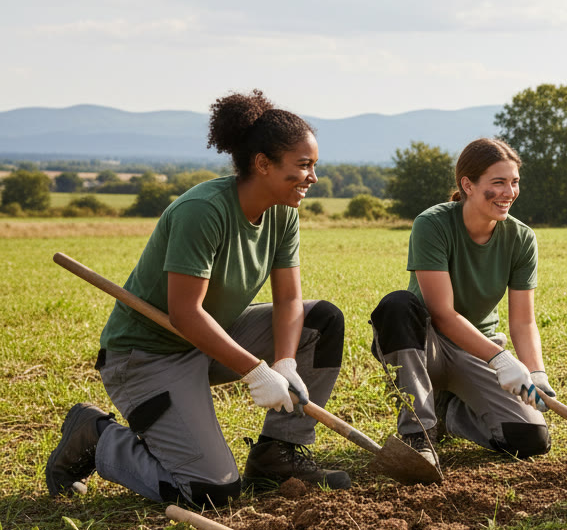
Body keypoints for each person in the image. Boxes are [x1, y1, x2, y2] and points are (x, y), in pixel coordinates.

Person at [46, 90, 349, 507]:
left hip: (209, 340)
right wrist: (256, 372)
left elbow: (289, 298)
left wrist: (285, 361)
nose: (313, 177)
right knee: (213, 493)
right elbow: (185, 314)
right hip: (149, 355)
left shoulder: (283, 212)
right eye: (304, 166)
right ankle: (96, 437)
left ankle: (277, 456)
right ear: (262, 163)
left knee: (322, 320)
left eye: (314, 165)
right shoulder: (203, 211)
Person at [368, 138, 551, 466]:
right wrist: (501, 359)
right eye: (498, 183)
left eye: (514, 182)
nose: (509, 192)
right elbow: (442, 313)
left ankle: (447, 409)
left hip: (478, 350)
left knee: (531, 439)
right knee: (397, 305)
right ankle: (418, 435)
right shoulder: (432, 224)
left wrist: (536, 372)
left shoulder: (522, 238)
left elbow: (523, 321)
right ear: (468, 185)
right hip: (427, 347)